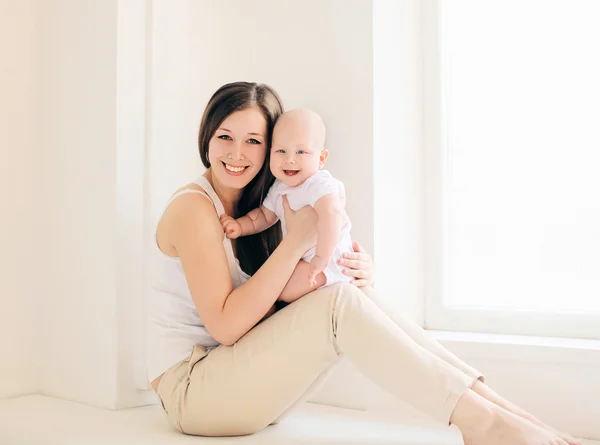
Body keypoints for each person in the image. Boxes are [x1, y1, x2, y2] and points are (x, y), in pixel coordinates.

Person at [146, 81, 581, 445]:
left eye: (254, 141)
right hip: (194, 394)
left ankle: (515, 421)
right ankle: (488, 427)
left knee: (346, 293)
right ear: (205, 136)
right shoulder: (194, 210)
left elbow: (274, 303)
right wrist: (298, 241)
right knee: (337, 305)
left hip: (237, 383)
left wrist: (348, 270)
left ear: (273, 149)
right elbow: (225, 327)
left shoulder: (264, 206)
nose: (237, 152)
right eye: (225, 136)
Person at [220, 107, 352, 291]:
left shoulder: (319, 184)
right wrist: (240, 226)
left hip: (329, 263)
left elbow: (332, 215)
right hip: (303, 262)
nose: (290, 159)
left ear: (321, 158)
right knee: (275, 281)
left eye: (301, 152)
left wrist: (322, 257)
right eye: (281, 151)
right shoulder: (279, 188)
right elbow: (264, 216)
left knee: (276, 288)